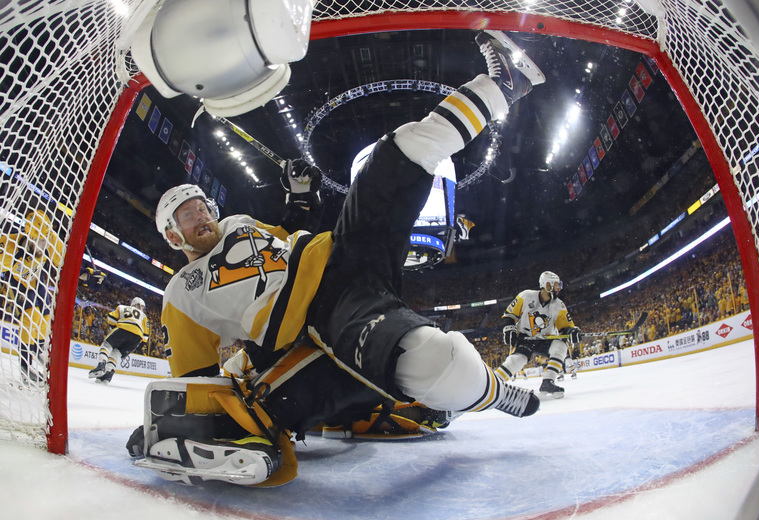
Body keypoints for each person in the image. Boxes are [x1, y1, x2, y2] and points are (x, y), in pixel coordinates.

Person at [140, 30, 546, 487]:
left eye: (202, 207)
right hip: (325, 317)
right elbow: (194, 377)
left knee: (392, 156)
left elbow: (296, 234)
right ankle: (495, 394)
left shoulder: (239, 224)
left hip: (341, 251)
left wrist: (301, 194)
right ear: (173, 235)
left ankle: (504, 86)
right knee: (440, 361)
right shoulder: (181, 294)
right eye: (187, 215)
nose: (201, 215)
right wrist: (202, 422)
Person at [0, 209, 64, 386]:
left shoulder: (48, 237)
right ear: (28, 237)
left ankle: (38, 347)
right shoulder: (10, 247)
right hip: (18, 282)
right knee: (30, 318)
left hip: (36, 281)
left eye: (44, 241)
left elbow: (64, 261)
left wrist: (87, 274)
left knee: (44, 315)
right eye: (39, 242)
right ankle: (25, 367)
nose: (43, 246)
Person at [497, 271, 581, 399]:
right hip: (525, 337)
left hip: (544, 339)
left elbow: (565, 327)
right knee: (518, 360)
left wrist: (572, 332)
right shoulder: (525, 296)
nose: (557, 288)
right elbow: (509, 314)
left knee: (561, 345)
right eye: (554, 285)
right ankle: (495, 383)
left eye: (558, 285)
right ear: (546, 285)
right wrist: (509, 328)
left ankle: (548, 382)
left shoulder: (559, 305)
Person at [88, 297, 149, 384]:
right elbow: (145, 337)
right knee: (117, 353)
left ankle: (101, 366)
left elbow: (111, 318)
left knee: (107, 345)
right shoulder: (144, 317)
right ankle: (108, 373)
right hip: (137, 337)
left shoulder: (122, 307)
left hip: (124, 328)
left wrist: (115, 327)